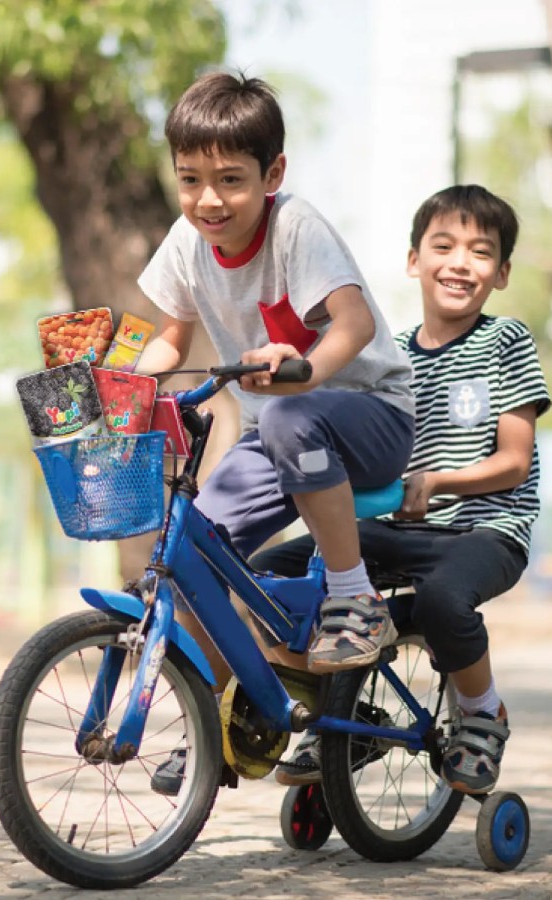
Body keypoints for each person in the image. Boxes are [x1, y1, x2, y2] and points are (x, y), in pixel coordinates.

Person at [133, 71, 416, 794]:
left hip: (373, 415)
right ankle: (217, 725)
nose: (208, 199)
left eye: (230, 180)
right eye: (190, 179)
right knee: (191, 553)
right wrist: (127, 390)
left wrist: (304, 371)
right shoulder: (186, 243)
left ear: (273, 174)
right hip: (282, 433)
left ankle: (355, 601)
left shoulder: (296, 227)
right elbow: (169, 339)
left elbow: (353, 324)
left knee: (290, 415)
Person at [255, 184, 551, 796]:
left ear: (501, 273)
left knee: (443, 600)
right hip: (396, 526)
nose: (460, 263)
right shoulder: (391, 359)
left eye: (480, 251)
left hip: (482, 530)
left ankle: (482, 713)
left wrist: (437, 481)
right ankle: (345, 716)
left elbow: (514, 462)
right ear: (414, 260)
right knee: (269, 575)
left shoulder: (506, 341)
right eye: (443, 246)